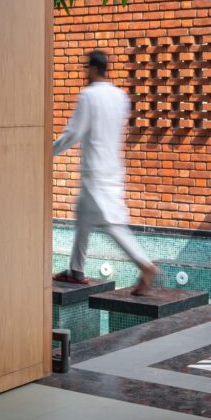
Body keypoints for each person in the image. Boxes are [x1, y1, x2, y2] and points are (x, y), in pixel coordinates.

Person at [52, 50, 159, 296]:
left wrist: (48, 152)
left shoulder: (89, 96)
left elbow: (74, 133)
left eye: (85, 68)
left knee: (112, 224)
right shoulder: (120, 97)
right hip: (112, 169)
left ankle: (144, 264)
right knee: (83, 216)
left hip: (95, 172)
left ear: (92, 69)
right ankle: (76, 270)